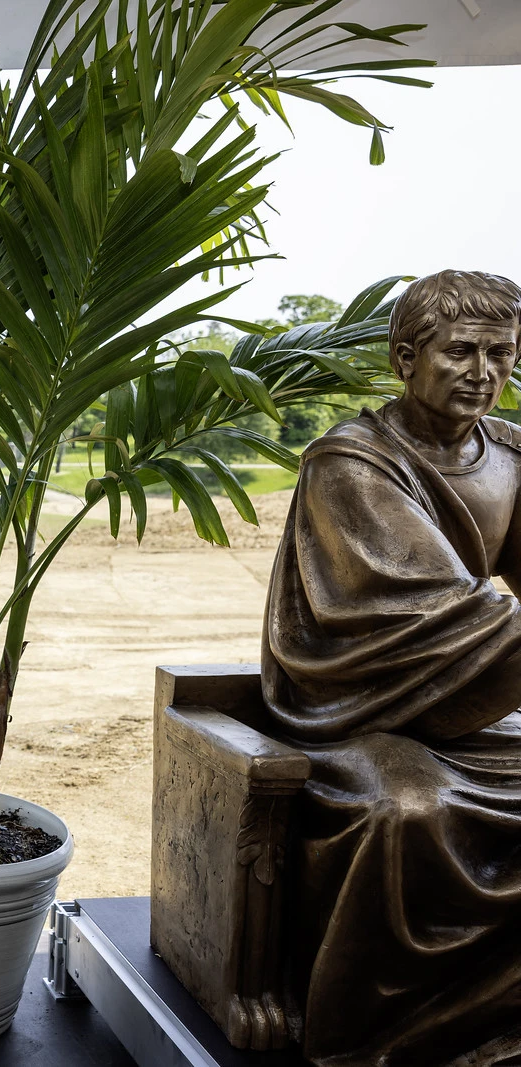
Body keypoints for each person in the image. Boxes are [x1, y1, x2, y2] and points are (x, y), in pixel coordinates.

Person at [263, 269, 521, 1065]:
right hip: (362, 708)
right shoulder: (350, 462)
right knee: (408, 811)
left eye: (503, 354)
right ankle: (373, 1036)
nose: (484, 372)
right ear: (406, 357)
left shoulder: (511, 454)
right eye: (462, 352)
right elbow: (421, 613)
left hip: (472, 700)